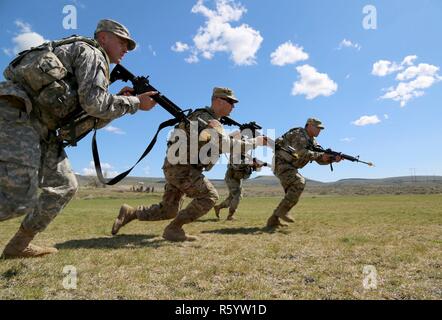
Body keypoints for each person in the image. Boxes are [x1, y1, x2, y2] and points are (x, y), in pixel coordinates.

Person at [0, 19, 157, 258]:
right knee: (18, 193)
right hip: (17, 112)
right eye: (122, 42)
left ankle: (18, 245)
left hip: (42, 126)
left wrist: (118, 100)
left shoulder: (92, 60)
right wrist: (136, 103)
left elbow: (89, 114)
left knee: (64, 185)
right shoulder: (92, 52)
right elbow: (96, 104)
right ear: (103, 37)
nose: (126, 49)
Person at [111, 87, 268, 241]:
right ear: (218, 101)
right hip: (183, 169)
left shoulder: (205, 118)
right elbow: (224, 144)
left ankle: (130, 213)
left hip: (176, 167)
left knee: (169, 210)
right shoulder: (206, 119)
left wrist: (240, 134)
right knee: (209, 196)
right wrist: (256, 142)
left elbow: (217, 141)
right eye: (231, 102)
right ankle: (174, 229)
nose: (233, 106)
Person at [266, 118, 342, 228]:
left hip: (290, 166)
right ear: (309, 126)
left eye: (320, 129)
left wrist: (332, 159)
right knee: (299, 182)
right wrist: (321, 155)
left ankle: (273, 220)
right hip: (281, 163)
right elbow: (301, 152)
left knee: (293, 190)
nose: (319, 130)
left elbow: (319, 160)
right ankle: (282, 212)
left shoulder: (313, 141)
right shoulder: (299, 134)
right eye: (318, 127)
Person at [214, 156, 265, 220]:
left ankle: (218, 207)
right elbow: (238, 166)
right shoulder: (245, 163)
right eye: (257, 164)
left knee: (232, 198)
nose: (258, 166)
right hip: (231, 178)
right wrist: (248, 163)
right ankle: (230, 215)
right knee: (237, 195)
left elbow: (243, 175)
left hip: (237, 180)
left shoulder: (249, 168)